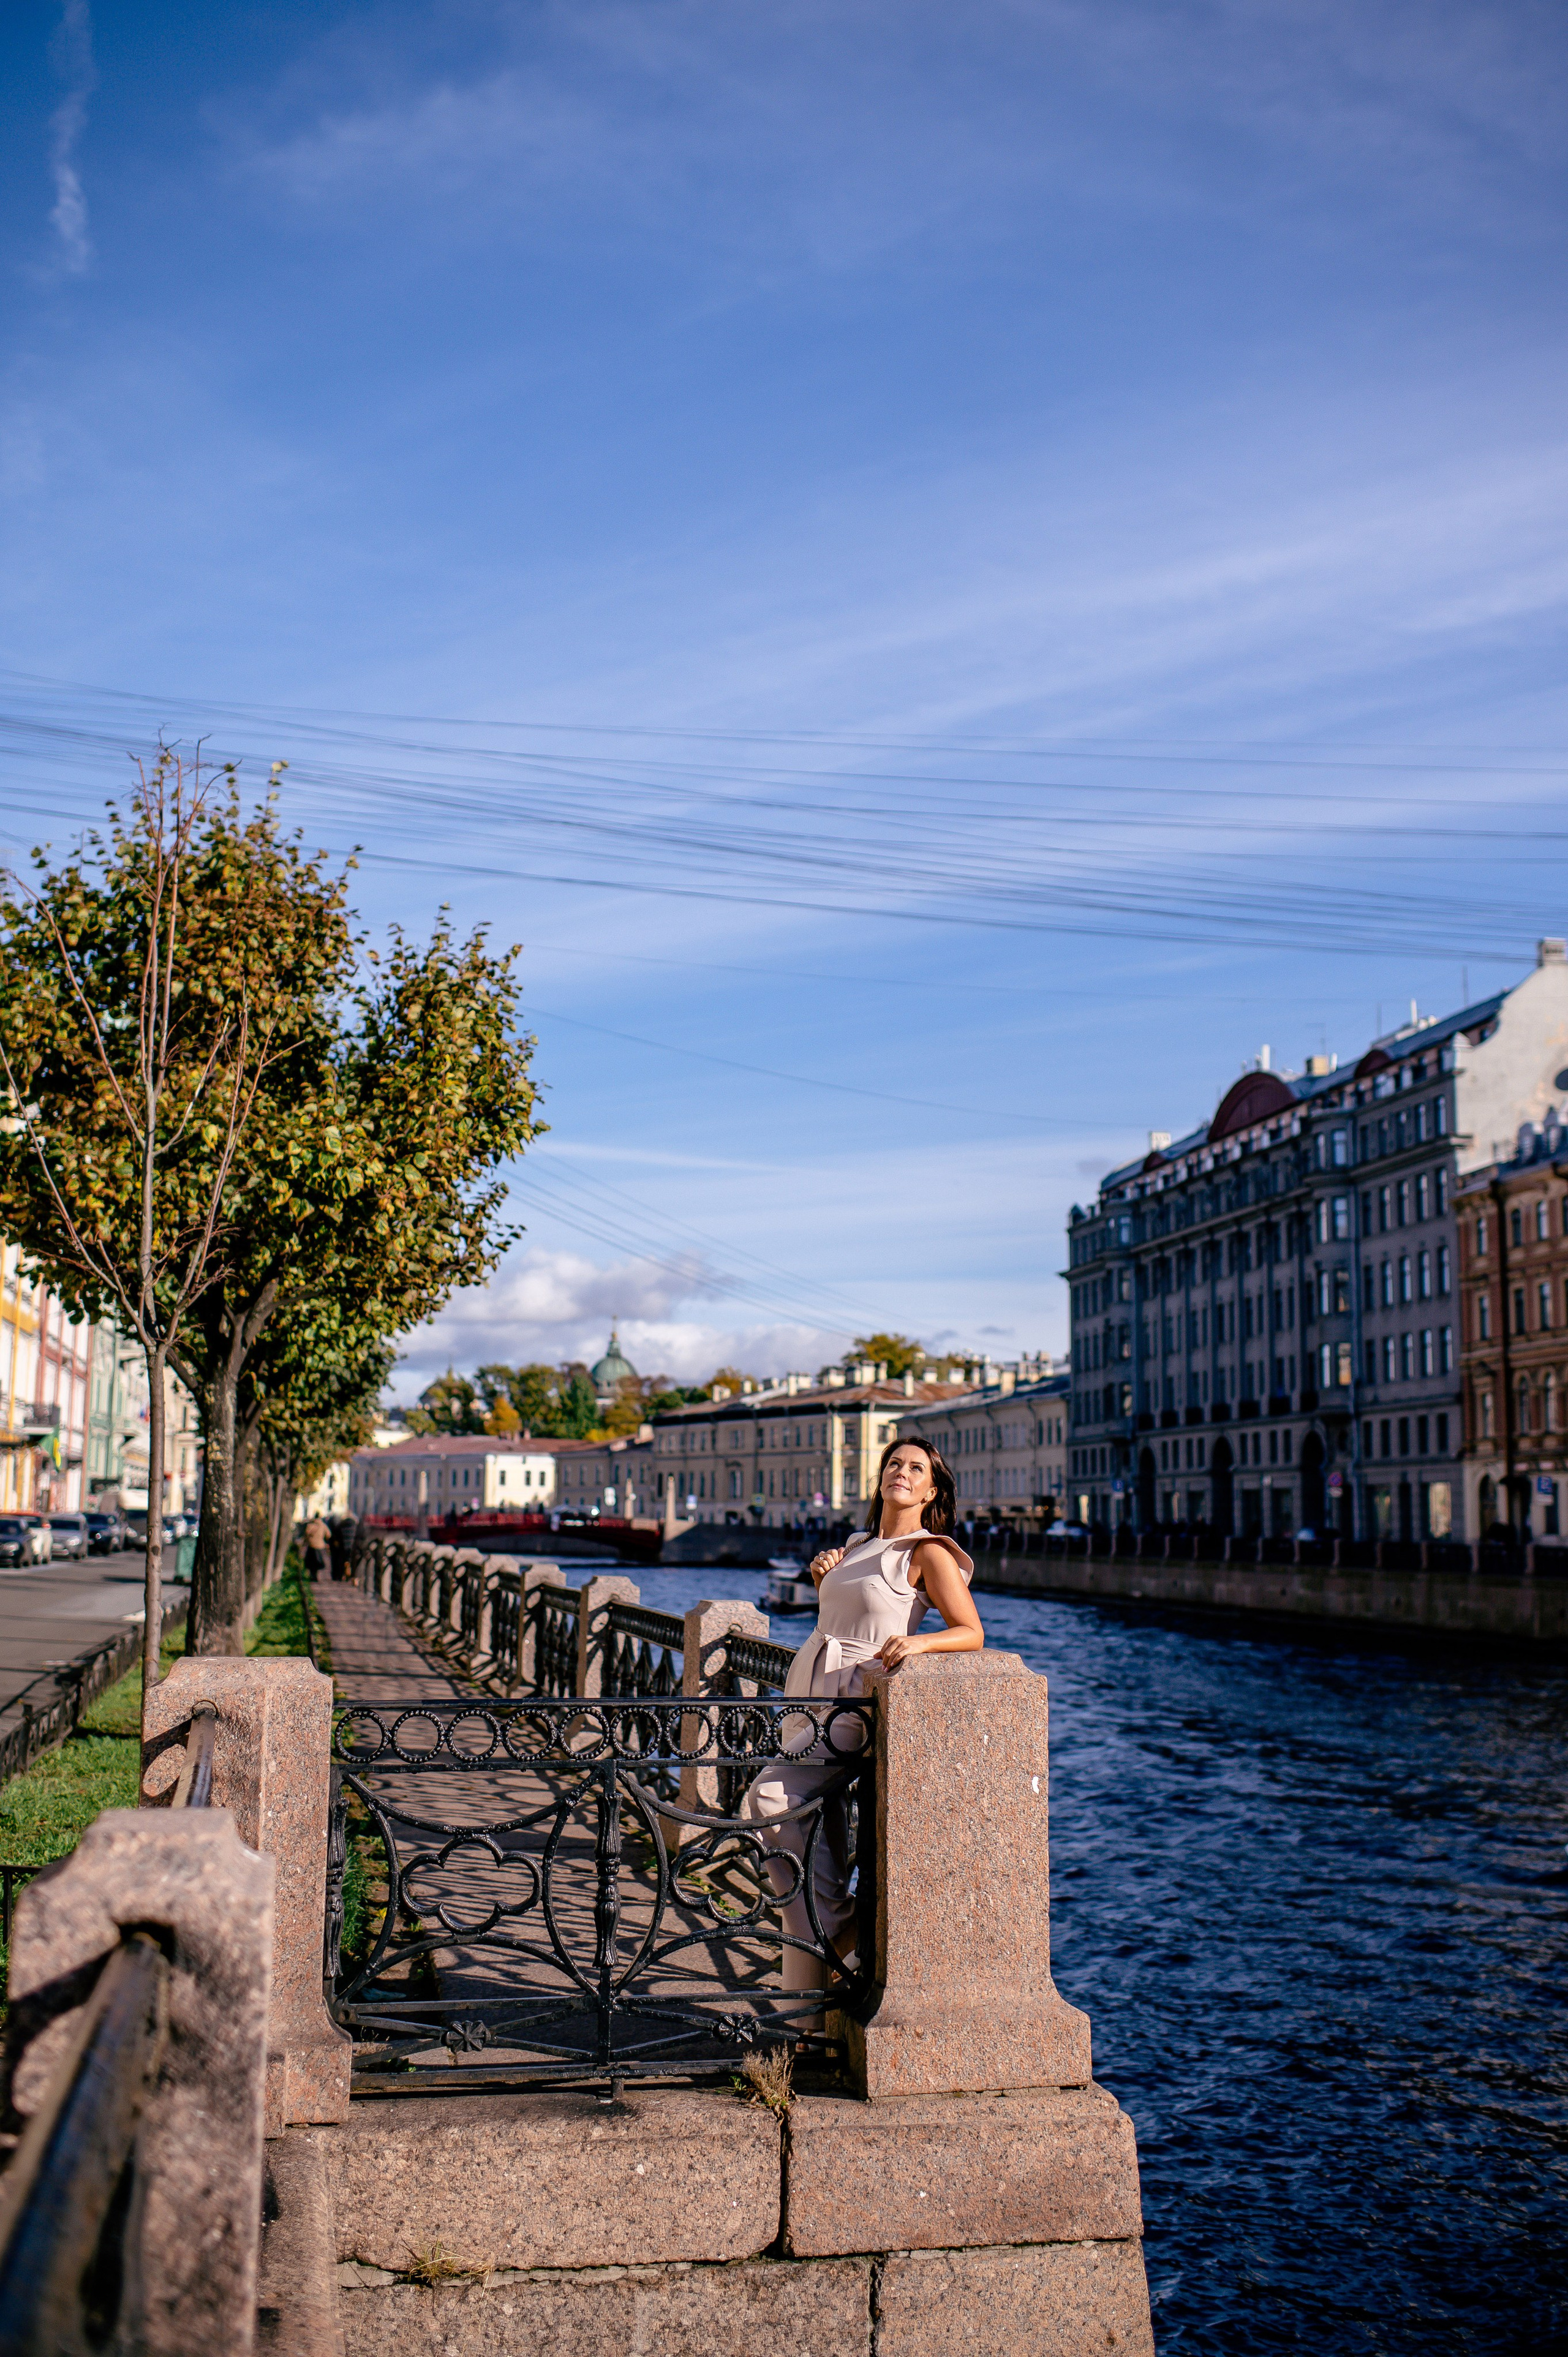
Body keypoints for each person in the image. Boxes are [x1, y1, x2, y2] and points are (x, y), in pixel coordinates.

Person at [741, 1436, 982, 2006]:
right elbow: (844, 1605)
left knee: (768, 1799)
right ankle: (806, 2015)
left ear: (931, 1490)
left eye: (915, 1468)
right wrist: (827, 1570)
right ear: (881, 1479)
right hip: (809, 1691)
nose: (902, 1472)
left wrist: (918, 1648)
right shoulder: (857, 1544)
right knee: (812, 1832)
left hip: (854, 1699)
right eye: (894, 1463)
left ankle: (842, 1931)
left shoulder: (929, 1553)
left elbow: (971, 1632)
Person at [302, 1512, 331, 1582]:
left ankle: (313, 1575)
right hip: (320, 1546)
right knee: (319, 1562)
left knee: (311, 1562)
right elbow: (329, 1535)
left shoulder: (310, 1525)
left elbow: (306, 1534)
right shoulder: (323, 1525)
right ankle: (317, 1576)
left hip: (311, 1546)